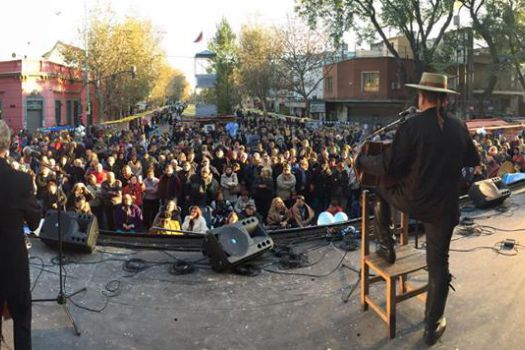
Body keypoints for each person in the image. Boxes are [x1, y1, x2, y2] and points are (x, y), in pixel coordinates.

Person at [356, 73, 480, 345]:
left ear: (422, 97)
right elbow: (473, 159)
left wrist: (363, 160)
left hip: (411, 202)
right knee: (439, 265)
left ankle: (386, 244)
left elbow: (390, 167)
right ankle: (432, 326)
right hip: (443, 209)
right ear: (445, 100)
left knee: (378, 189)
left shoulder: (411, 127)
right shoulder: (459, 127)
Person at [0, 120, 41, 349]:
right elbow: (35, 222)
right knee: (22, 320)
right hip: (13, 262)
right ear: (8, 145)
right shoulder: (21, 180)